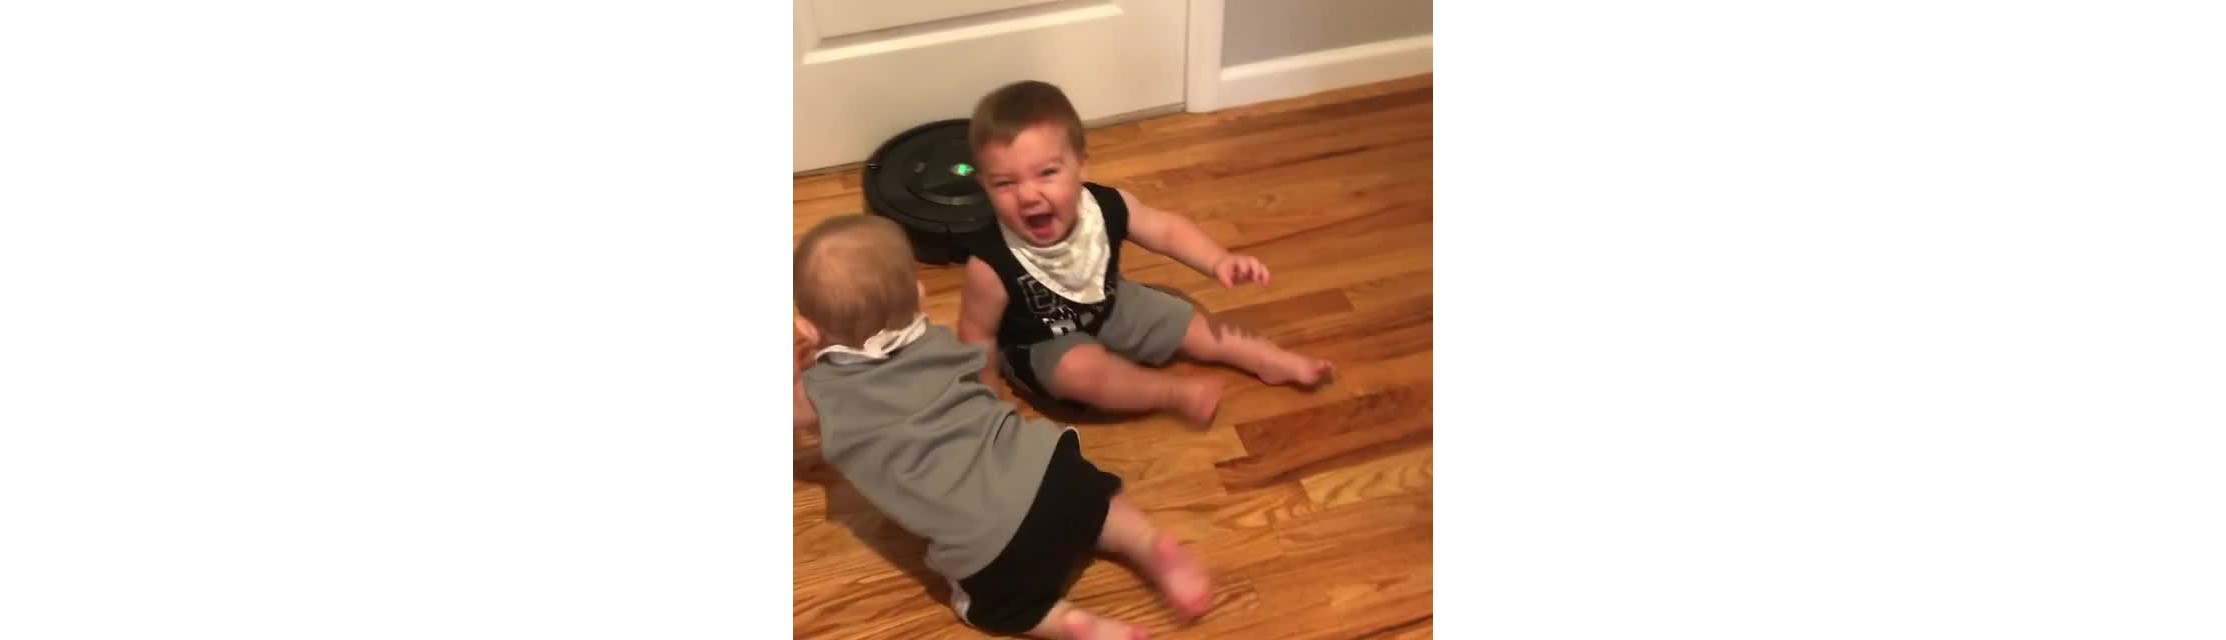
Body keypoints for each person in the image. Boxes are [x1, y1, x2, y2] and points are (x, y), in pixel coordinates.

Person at [794, 214, 1213, 639]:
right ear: (918, 295)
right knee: (1101, 504)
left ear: (807, 327)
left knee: (985, 606)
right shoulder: (936, 341)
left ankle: (1074, 624)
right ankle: (1148, 542)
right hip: (1055, 476)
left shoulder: (818, 393)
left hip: (992, 549)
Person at [956, 80, 1334, 426]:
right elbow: (977, 335)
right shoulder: (990, 263)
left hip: (1110, 303)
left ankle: (1268, 359)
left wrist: (1218, 260)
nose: (1027, 195)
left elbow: (1167, 230)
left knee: (1189, 323)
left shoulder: (1106, 206)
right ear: (984, 185)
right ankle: (1172, 393)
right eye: (1005, 183)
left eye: (1047, 173)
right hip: (1042, 341)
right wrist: (989, 407)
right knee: (1082, 372)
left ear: (1081, 165)